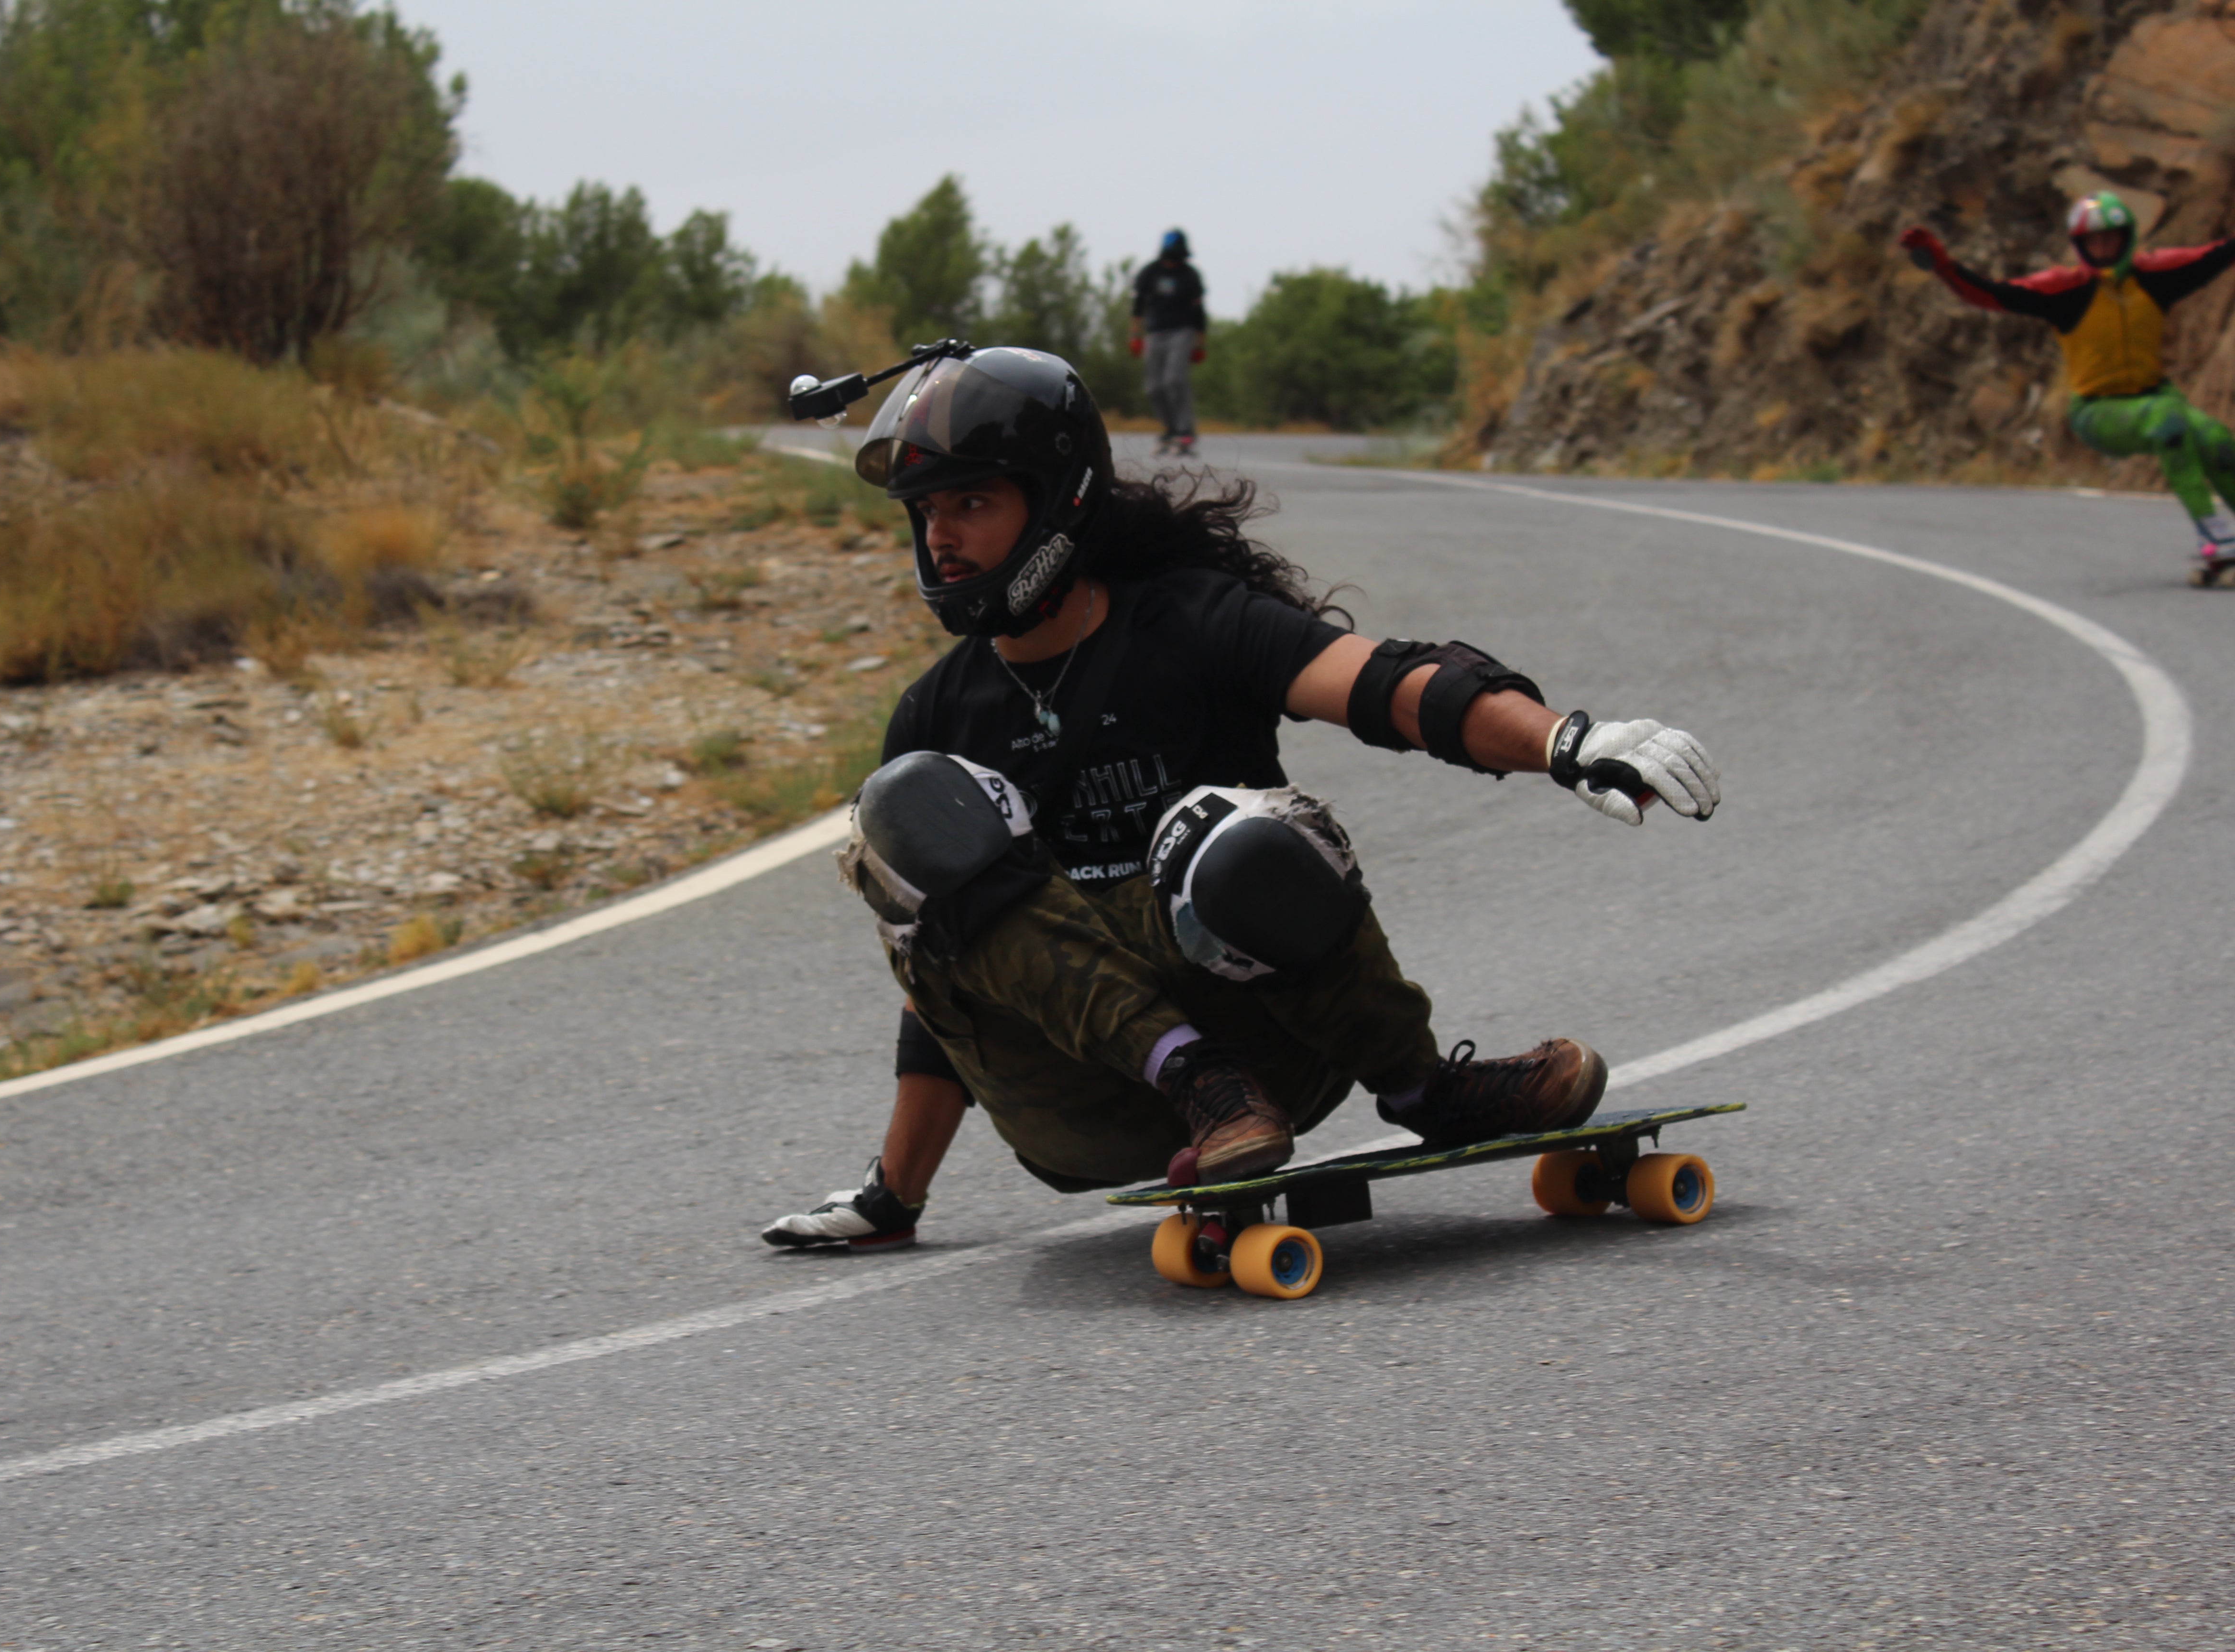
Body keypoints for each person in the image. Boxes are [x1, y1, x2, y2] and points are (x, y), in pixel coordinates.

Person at [761, 346, 1719, 1252]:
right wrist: (895, 1192)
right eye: (925, 512)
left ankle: (1425, 1089)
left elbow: (1389, 686)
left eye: (971, 502)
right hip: (1079, 1094)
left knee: (1232, 837)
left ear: (1059, 502)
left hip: (1276, 1057)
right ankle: (1195, 1083)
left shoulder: (1188, 622)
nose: (941, 537)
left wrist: (1565, 741)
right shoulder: (936, 713)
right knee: (902, 806)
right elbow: (945, 981)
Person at [1900, 193, 2235, 586]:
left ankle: (2222, 551)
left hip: (2156, 397)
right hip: (2097, 412)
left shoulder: (2155, 276)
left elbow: (2218, 254)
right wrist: (1942, 265)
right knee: (2169, 421)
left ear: (2127, 239)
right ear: (2080, 246)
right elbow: (1991, 294)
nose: (2104, 249)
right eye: (2094, 242)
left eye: (2111, 239)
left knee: (2216, 439)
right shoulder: (2065, 290)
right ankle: (2217, 540)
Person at [1130, 229, 1207, 458]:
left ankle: (1185, 431)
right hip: (1155, 333)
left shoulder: (1190, 276)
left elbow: (1199, 314)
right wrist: (1135, 335)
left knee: (1174, 379)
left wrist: (1200, 344)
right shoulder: (1150, 273)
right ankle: (1170, 429)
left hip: (1182, 333)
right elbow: (1138, 307)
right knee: (1153, 386)